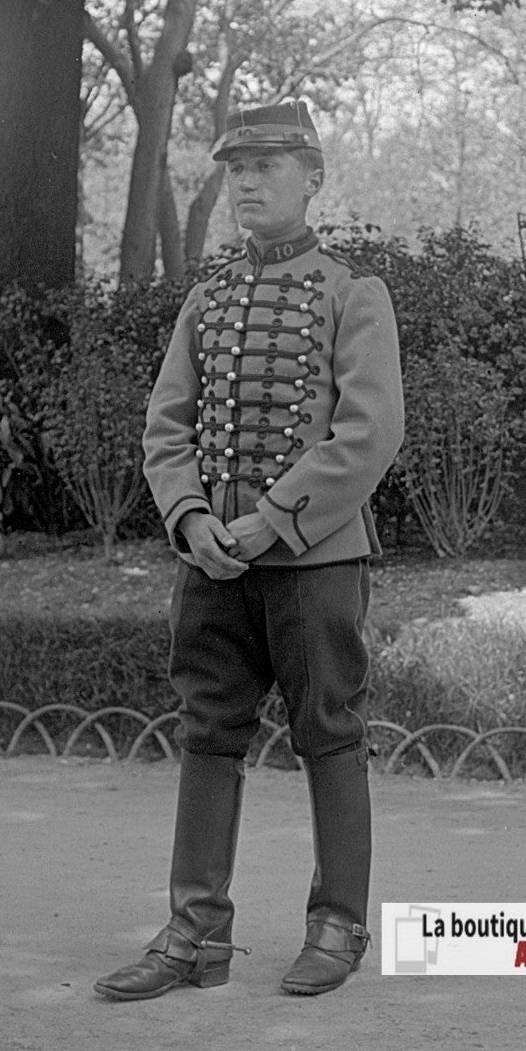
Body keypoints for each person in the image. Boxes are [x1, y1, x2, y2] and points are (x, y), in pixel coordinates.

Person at [95, 98, 404, 1001]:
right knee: (207, 736)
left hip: (312, 559)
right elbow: (167, 427)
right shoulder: (210, 296)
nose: (247, 181)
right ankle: (195, 934)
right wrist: (191, 520)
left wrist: (271, 520)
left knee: (330, 733)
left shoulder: (353, 293)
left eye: (267, 165)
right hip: (213, 562)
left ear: (313, 177)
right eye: (236, 168)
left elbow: (368, 432)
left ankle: (339, 925)